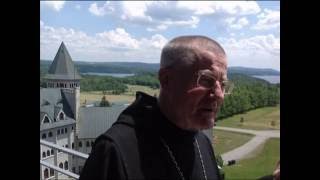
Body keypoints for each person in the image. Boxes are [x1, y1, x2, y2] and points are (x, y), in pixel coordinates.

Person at [79, 35, 231, 180]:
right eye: (206, 80)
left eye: (223, 85)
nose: (219, 95)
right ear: (166, 79)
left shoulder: (202, 142)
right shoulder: (115, 150)